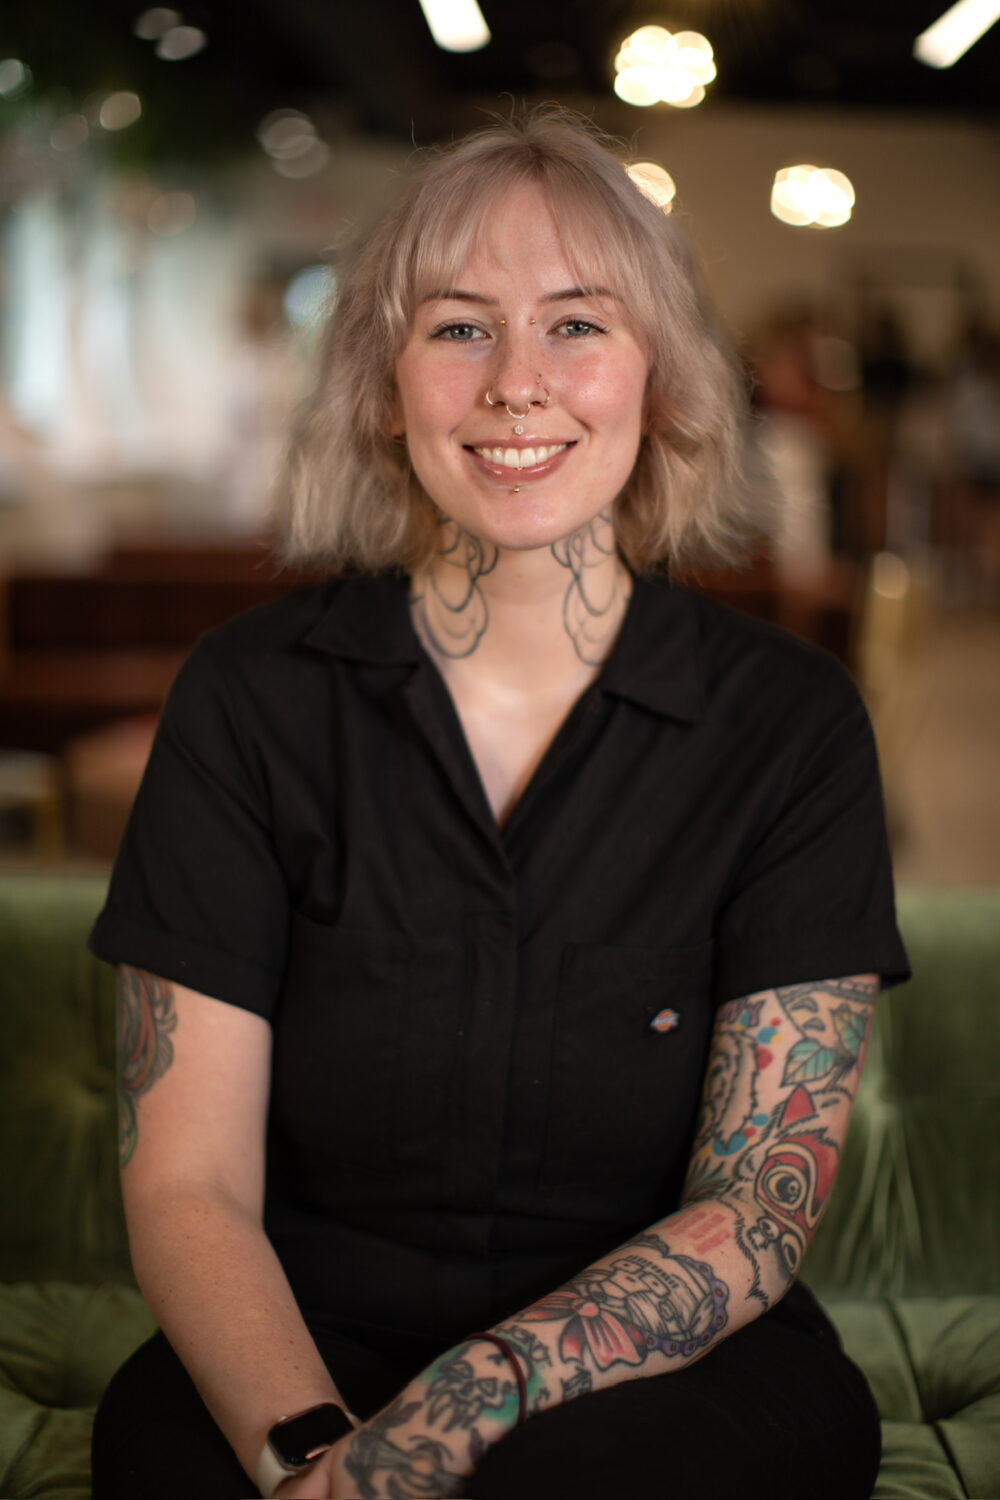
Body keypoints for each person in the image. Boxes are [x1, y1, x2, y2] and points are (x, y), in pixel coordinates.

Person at [89, 109, 910, 1500]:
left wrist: (448, 1421)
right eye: (460, 328)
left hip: (668, 1366)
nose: (517, 384)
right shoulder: (248, 700)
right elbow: (189, 1188)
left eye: (578, 326)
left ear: (660, 380)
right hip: (304, 1342)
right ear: (381, 383)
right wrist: (313, 1456)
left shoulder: (789, 723)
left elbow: (755, 1206)